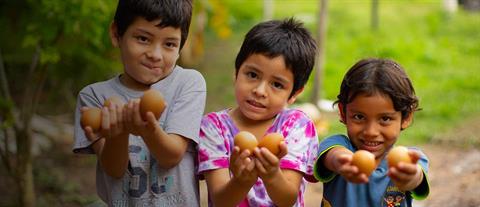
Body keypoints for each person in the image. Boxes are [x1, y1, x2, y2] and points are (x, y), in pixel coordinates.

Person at [72, 0, 206, 206]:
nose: (155, 55)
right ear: (116, 33)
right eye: (143, 38)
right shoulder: (94, 97)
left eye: (169, 44)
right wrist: (118, 134)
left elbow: (171, 156)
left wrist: (148, 130)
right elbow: (114, 170)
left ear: (180, 47)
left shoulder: (187, 83)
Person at [198, 18, 319, 207]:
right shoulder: (213, 127)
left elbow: (288, 199)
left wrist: (272, 176)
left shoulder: (296, 125)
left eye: (277, 84)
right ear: (236, 72)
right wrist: (241, 181)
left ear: (294, 93)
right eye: (252, 75)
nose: (260, 91)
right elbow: (220, 200)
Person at [313, 58, 430, 207]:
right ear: (343, 113)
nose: (371, 132)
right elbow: (335, 157)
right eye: (359, 117)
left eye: (385, 119)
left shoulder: (409, 160)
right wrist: (346, 163)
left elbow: (416, 177)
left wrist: (410, 176)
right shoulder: (336, 145)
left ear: (406, 117)